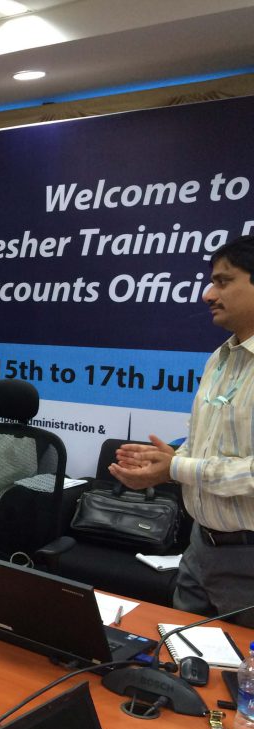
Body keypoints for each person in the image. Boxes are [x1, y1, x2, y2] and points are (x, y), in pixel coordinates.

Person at [109, 235, 254, 627]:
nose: (208, 294)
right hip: (200, 547)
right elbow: (203, 442)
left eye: (223, 281)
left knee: (239, 666)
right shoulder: (220, 359)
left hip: (248, 558)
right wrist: (163, 467)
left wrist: (176, 468)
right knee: (176, 654)